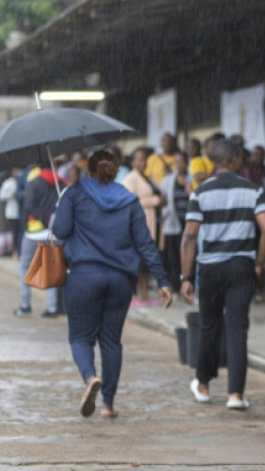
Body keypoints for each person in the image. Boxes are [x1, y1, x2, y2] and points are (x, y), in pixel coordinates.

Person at [52, 150, 172, 419]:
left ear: (90, 169)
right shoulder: (129, 200)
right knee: (111, 341)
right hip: (120, 279)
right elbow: (144, 242)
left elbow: (59, 231)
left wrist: (64, 204)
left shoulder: (75, 192)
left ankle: (90, 377)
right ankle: (108, 404)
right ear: (116, 170)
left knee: (80, 337)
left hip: (84, 276)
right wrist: (162, 280)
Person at [180, 140, 265, 410]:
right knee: (237, 329)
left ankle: (204, 385)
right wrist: (259, 262)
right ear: (234, 161)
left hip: (210, 268)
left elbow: (189, 235)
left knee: (210, 327)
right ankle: (236, 395)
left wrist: (185, 277)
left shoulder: (201, 192)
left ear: (214, 162)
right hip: (242, 266)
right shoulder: (253, 190)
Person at [14, 166, 62, 317]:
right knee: (51, 269)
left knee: (25, 268)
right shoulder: (60, 182)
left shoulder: (34, 182)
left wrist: (41, 219)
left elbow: (28, 206)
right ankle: (52, 308)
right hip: (52, 233)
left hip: (33, 232)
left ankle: (25, 304)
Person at [123, 147, 167, 305]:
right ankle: (136, 294)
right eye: (138, 159)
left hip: (154, 222)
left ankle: (145, 293)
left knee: (148, 260)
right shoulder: (131, 178)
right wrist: (155, 201)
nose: (141, 163)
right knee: (139, 261)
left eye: (144, 159)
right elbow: (129, 202)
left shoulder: (147, 177)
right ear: (133, 161)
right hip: (140, 224)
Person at [161, 151, 190, 295]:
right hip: (173, 222)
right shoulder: (168, 180)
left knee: (188, 253)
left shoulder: (191, 179)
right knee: (173, 255)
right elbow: (163, 199)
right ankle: (176, 285)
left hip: (189, 222)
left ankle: (188, 282)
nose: (179, 165)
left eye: (181, 161)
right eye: (176, 162)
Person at [0, 169, 20, 256]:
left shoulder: (18, 181)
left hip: (18, 211)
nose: (16, 173)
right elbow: (1, 196)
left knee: (16, 232)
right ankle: (11, 250)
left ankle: (15, 249)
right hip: (11, 211)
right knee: (11, 232)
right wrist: (11, 195)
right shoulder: (7, 183)